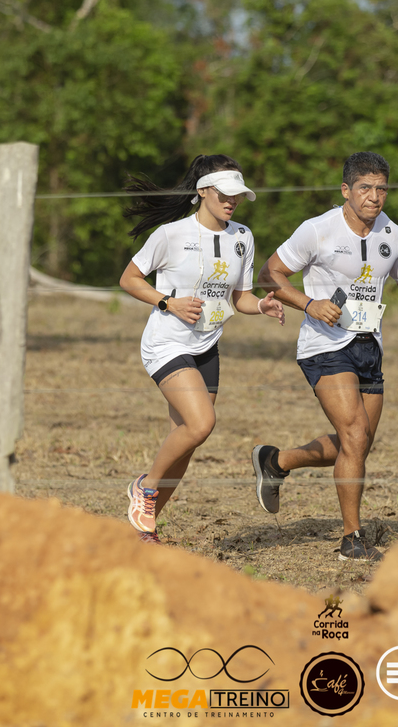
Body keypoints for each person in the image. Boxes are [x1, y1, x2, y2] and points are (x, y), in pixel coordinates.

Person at [250, 151, 398, 561]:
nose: (374, 196)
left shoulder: (394, 234)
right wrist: (309, 304)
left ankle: (276, 461)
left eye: (381, 188)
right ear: (346, 190)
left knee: (358, 444)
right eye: (365, 188)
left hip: (369, 345)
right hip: (325, 344)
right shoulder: (318, 230)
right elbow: (269, 274)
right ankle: (352, 539)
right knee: (355, 435)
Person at [119, 154, 284, 544]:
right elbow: (129, 279)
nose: (233, 201)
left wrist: (261, 305)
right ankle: (144, 487)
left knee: (185, 443)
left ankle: (144, 531)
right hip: (167, 343)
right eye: (225, 194)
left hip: (207, 346)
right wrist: (168, 302)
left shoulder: (242, 237)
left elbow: (240, 297)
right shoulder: (171, 234)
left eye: (237, 195)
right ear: (203, 191)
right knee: (201, 423)